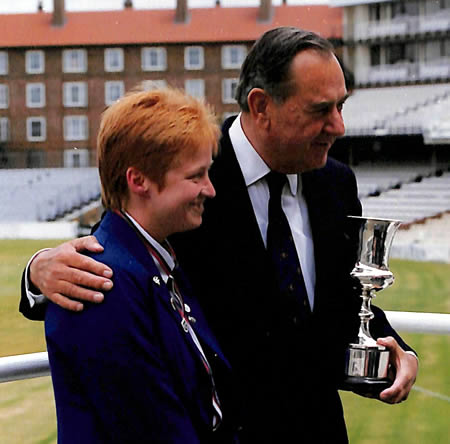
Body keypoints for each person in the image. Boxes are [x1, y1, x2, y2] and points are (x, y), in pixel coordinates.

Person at [20, 28, 418, 443]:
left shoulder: (335, 183)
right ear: (261, 105)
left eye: (341, 106)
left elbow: (346, 304)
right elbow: (113, 258)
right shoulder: (182, 176)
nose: (338, 126)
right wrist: (37, 274)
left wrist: (395, 354)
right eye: (320, 110)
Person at [41, 87, 238, 443]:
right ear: (139, 181)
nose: (210, 189)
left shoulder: (155, 259)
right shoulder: (102, 282)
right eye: (196, 176)